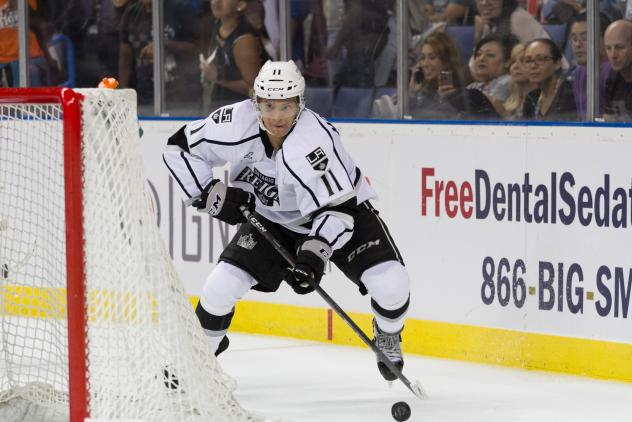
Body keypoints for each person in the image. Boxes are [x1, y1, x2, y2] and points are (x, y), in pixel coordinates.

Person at [163, 60, 411, 382]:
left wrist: (313, 254)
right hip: (273, 220)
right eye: (268, 106)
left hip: (340, 215)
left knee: (391, 285)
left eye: (286, 106)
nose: (277, 116)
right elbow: (179, 148)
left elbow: (339, 209)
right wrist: (210, 194)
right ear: (256, 103)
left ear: (300, 103)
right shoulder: (234, 124)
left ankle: (388, 333)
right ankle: (197, 358)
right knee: (219, 287)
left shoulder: (315, 141)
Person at [200, 0, 269, 112]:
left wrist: (217, 78)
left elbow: (257, 89)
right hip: (222, 110)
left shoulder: (244, 41)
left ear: (241, 5)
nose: (215, 2)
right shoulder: (218, 24)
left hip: (243, 115)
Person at [566, 12, 612, 120]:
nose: (578, 44)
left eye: (585, 38)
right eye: (574, 38)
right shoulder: (580, 70)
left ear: (605, 38)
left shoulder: (614, 71)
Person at [522, 38, 577, 121]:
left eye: (540, 59)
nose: (533, 66)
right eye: (528, 61)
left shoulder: (571, 93)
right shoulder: (531, 98)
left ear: (557, 63)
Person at [603, 19, 632, 121]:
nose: (613, 55)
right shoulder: (613, 77)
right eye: (608, 48)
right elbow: (608, 121)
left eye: (619, 47)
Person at [502, 43, 537, 119]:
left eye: (523, 61)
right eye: (513, 61)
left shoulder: (540, 104)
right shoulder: (510, 103)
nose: (515, 66)